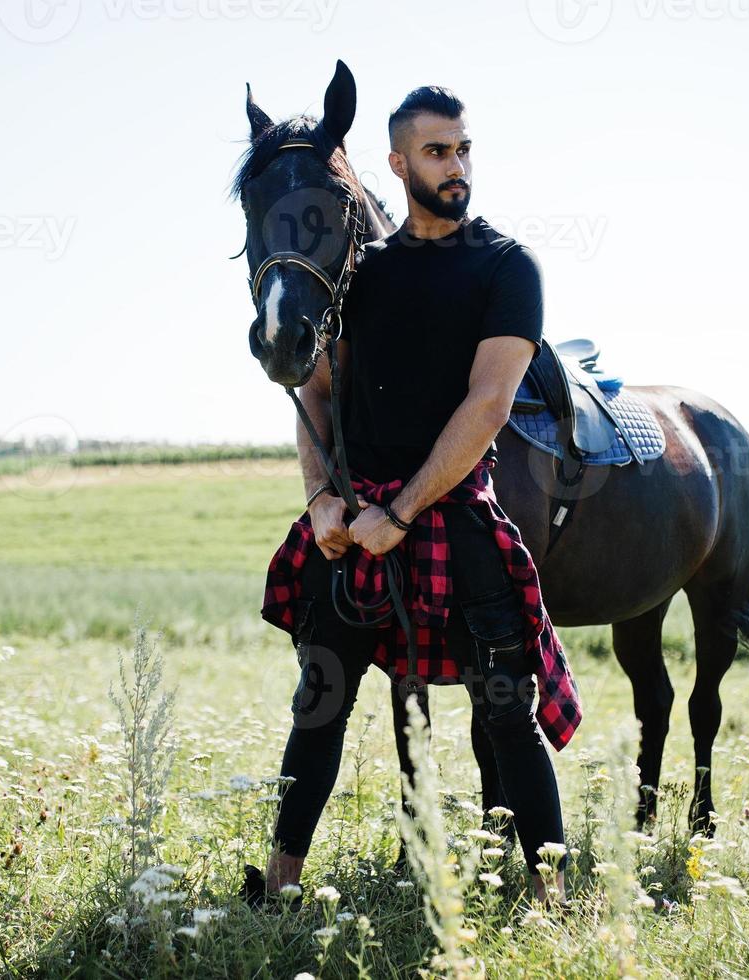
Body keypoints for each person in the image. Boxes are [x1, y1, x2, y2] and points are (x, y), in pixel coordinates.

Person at [249, 85, 582, 906]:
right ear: (396, 164)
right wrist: (324, 501)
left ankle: (551, 901)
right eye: (436, 151)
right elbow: (318, 395)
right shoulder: (358, 275)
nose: (455, 165)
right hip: (354, 523)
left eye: (463, 148)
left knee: (508, 713)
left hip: (455, 519)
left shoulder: (506, 267)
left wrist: (398, 514)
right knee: (317, 706)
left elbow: (488, 404)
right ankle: (279, 887)